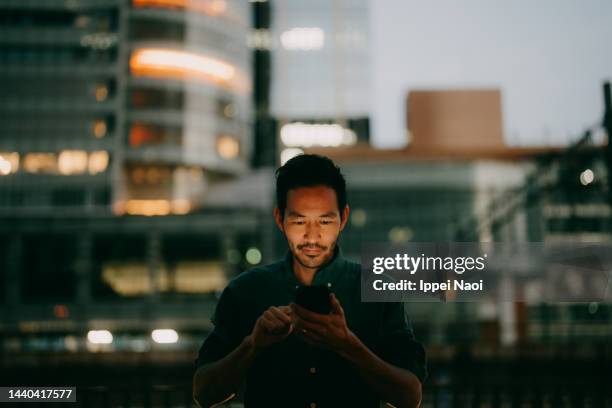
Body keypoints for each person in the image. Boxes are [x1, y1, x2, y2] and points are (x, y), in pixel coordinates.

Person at [193, 154, 427, 408]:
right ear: (279, 219)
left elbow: (410, 396)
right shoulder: (245, 291)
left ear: (343, 219)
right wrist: (252, 345)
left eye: (325, 221)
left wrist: (347, 344)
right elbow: (203, 394)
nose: (312, 236)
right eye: (299, 220)